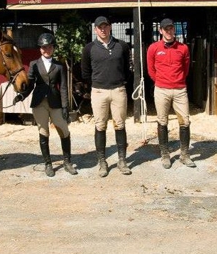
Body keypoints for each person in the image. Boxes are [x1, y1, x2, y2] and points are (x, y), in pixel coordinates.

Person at [14, 33, 77, 177]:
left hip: (55, 102)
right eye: (43, 47)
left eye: (48, 47)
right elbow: (30, 84)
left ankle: (67, 162)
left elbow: (63, 87)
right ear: (40, 49)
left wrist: (65, 106)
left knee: (63, 129)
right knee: (44, 131)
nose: (46, 50)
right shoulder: (34, 65)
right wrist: (21, 95)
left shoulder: (59, 66)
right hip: (39, 102)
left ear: (53, 48)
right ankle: (48, 163)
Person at [81, 16, 132, 177]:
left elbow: (127, 69)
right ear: (95, 29)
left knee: (120, 124)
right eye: (99, 27)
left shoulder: (121, 46)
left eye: (105, 26)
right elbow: (85, 72)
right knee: (100, 125)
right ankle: (102, 161)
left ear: (110, 27)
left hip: (118, 90)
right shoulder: (89, 48)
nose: (103, 30)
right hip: (98, 91)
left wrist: (121, 82)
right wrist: (97, 85)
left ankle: (122, 160)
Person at [147, 18, 196, 169]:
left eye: (171, 29)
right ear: (160, 31)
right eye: (165, 29)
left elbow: (186, 69)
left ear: (174, 30)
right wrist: (161, 82)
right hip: (162, 89)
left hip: (180, 90)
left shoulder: (183, 48)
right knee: (162, 120)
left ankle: (184, 154)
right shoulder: (153, 48)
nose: (168, 32)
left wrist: (177, 81)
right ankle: (165, 155)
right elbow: (151, 70)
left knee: (185, 121)